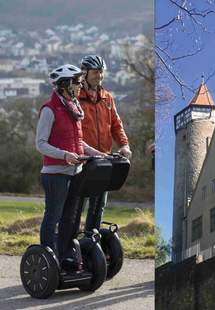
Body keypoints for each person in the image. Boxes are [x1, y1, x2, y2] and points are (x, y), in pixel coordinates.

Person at [36, 64, 104, 256]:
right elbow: (40, 144)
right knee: (53, 217)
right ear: (65, 85)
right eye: (77, 82)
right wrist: (64, 155)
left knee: (69, 219)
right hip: (55, 175)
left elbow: (78, 141)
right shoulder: (49, 110)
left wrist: (95, 153)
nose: (80, 85)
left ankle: (64, 256)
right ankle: (48, 257)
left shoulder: (73, 108)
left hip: (75, 173)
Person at [79, 54, 132, 231]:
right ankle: (70, 242)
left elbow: (116, 125)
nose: (99, 75)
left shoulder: (107, 98)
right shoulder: (77, 97)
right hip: (83, 158)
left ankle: (91, 238)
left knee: (99, 204)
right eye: (95, 72)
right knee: (78, 203)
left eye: (101, 72)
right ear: (85, 73)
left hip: (104, 159)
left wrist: (124, 145)